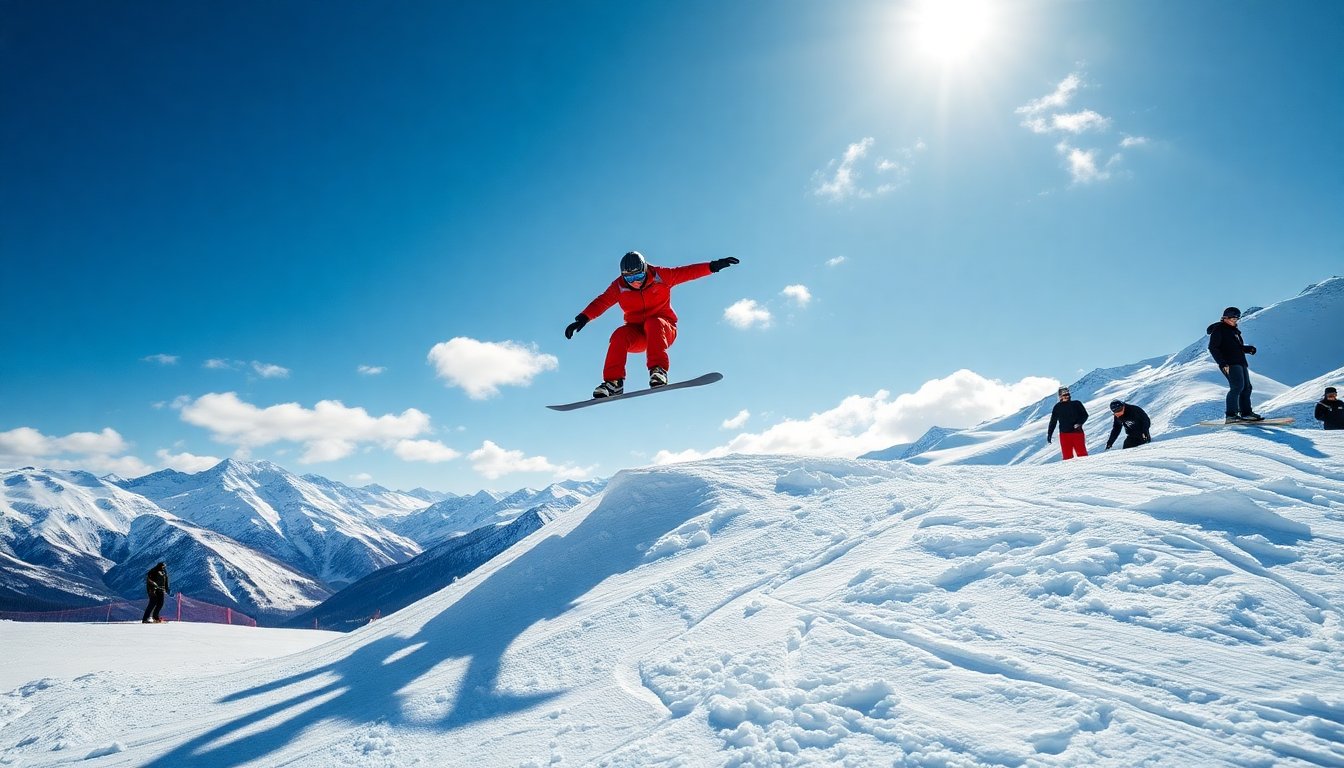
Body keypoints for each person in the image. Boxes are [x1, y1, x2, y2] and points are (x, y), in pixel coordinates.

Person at [565, 251, 739, 397]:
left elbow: (687, 272)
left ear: (645, 269)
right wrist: (583, 318)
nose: (635, 282)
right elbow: (602, 301)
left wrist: (713, 266)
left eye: (639, 276)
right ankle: (613, 383)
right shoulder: (618, 286)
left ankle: (658, 371)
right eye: (629, 278)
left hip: (663, 329)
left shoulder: (661, 276)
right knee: (619, 334)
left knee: (653, 322)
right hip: (638, 335)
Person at [1207, 306, 1263, 424]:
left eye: (1236, 318)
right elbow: (1213, 347)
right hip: (1229, 363)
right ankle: (1231, 415)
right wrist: (1222, 363)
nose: (1235, 320)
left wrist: (1247, 349)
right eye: (1232, 318)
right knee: (1237, 387)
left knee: (1247, 388)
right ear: (1225, 318)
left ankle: (1246, 413)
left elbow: (1236, 347)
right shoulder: (1219, 329)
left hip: (1240, 362)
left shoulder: (1234, 332)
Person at [1046, 386, 1089, 460]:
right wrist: (1050, 434)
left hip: (1077, 433)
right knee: (1067, 457)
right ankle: (1069, 471)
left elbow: (1085, 415)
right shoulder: (1057, 407)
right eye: (1064, 395)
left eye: (1067, 394)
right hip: (1064, 435)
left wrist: (1079, 423)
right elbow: (1053, 421)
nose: (1066, 396)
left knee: (1082, 454)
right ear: (1060, 396)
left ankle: (1087, 470)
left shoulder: (1076, 404)